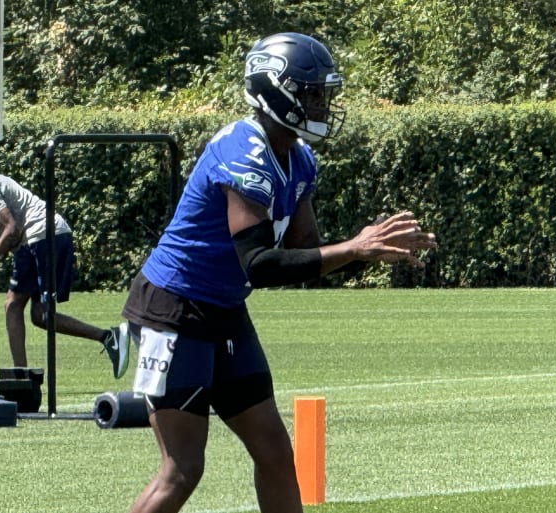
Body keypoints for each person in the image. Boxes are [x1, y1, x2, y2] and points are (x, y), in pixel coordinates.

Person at [120, 33, 438, 513]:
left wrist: (368, 249)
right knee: (182, 469)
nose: (322, 103)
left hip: (224, 309)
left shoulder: (300, 158)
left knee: (273, 450)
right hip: (173, 309)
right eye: (311, 93)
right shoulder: (242, 152)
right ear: (276, 90)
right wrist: (354, 247)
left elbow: (305, 251)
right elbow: (261, 265)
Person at [0, 143, 129, 378]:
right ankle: (22, 375)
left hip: (44, 235)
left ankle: (106, 338)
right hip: (39, 237)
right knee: (27, 310)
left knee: (28, 310)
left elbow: (11, 228)